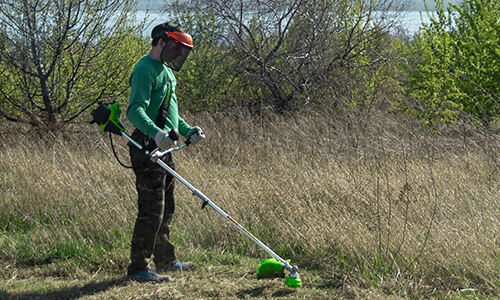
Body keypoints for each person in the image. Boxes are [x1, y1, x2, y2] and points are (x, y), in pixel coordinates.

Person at [125, 22, 205, 282]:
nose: (179, 54)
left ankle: (165, 260)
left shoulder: (168, 74)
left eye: (183, 50)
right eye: (176, 48)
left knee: (167, 205)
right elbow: (135, 110)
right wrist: (155, 134)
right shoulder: (144, 70)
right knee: (151, 208)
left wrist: (187, 129)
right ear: (162, 41)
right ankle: (138, 267)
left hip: (164, 146)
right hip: (146, 146)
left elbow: (171, 115)